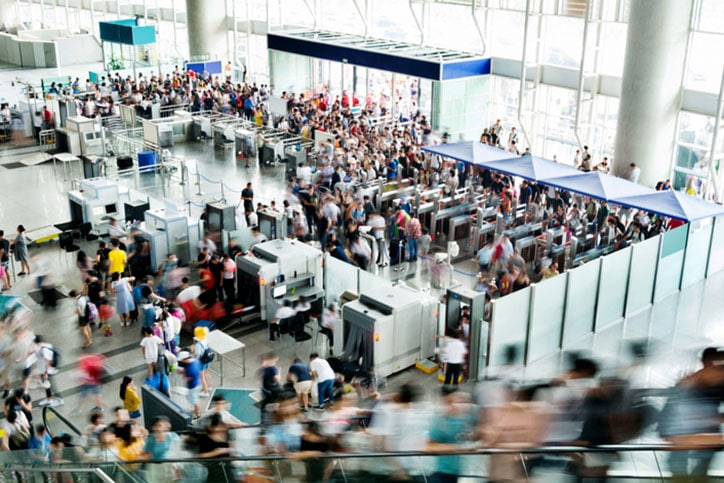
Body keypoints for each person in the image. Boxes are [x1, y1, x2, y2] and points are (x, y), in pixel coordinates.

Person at [34, 335, 63, 408]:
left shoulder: (44, 349)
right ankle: (49, 399)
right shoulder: (46, 345)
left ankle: (58, 399)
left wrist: (46, 373)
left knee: (49, 385)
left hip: (48, 371)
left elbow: (48, 361)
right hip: (45, 370)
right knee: (47, 385)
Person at [178, 351, 202, 418]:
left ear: (184, 359)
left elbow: (186, 378)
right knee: (194, 398)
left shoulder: (191, 369)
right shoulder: (196, 361)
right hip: (198, 383)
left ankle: (197, 414)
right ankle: (195, 409)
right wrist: (183, 371)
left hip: (193, 386)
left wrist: (182, 374)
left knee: (195, 400)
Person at [192, 326, 211, 398]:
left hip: (201, 362)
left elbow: (198, 355)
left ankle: (205, 392)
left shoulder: (198, 345)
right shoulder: (205, 340)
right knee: (207, 373)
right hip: (207, 360)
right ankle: (209, 386)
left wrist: (193, 351)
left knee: (201, 377)